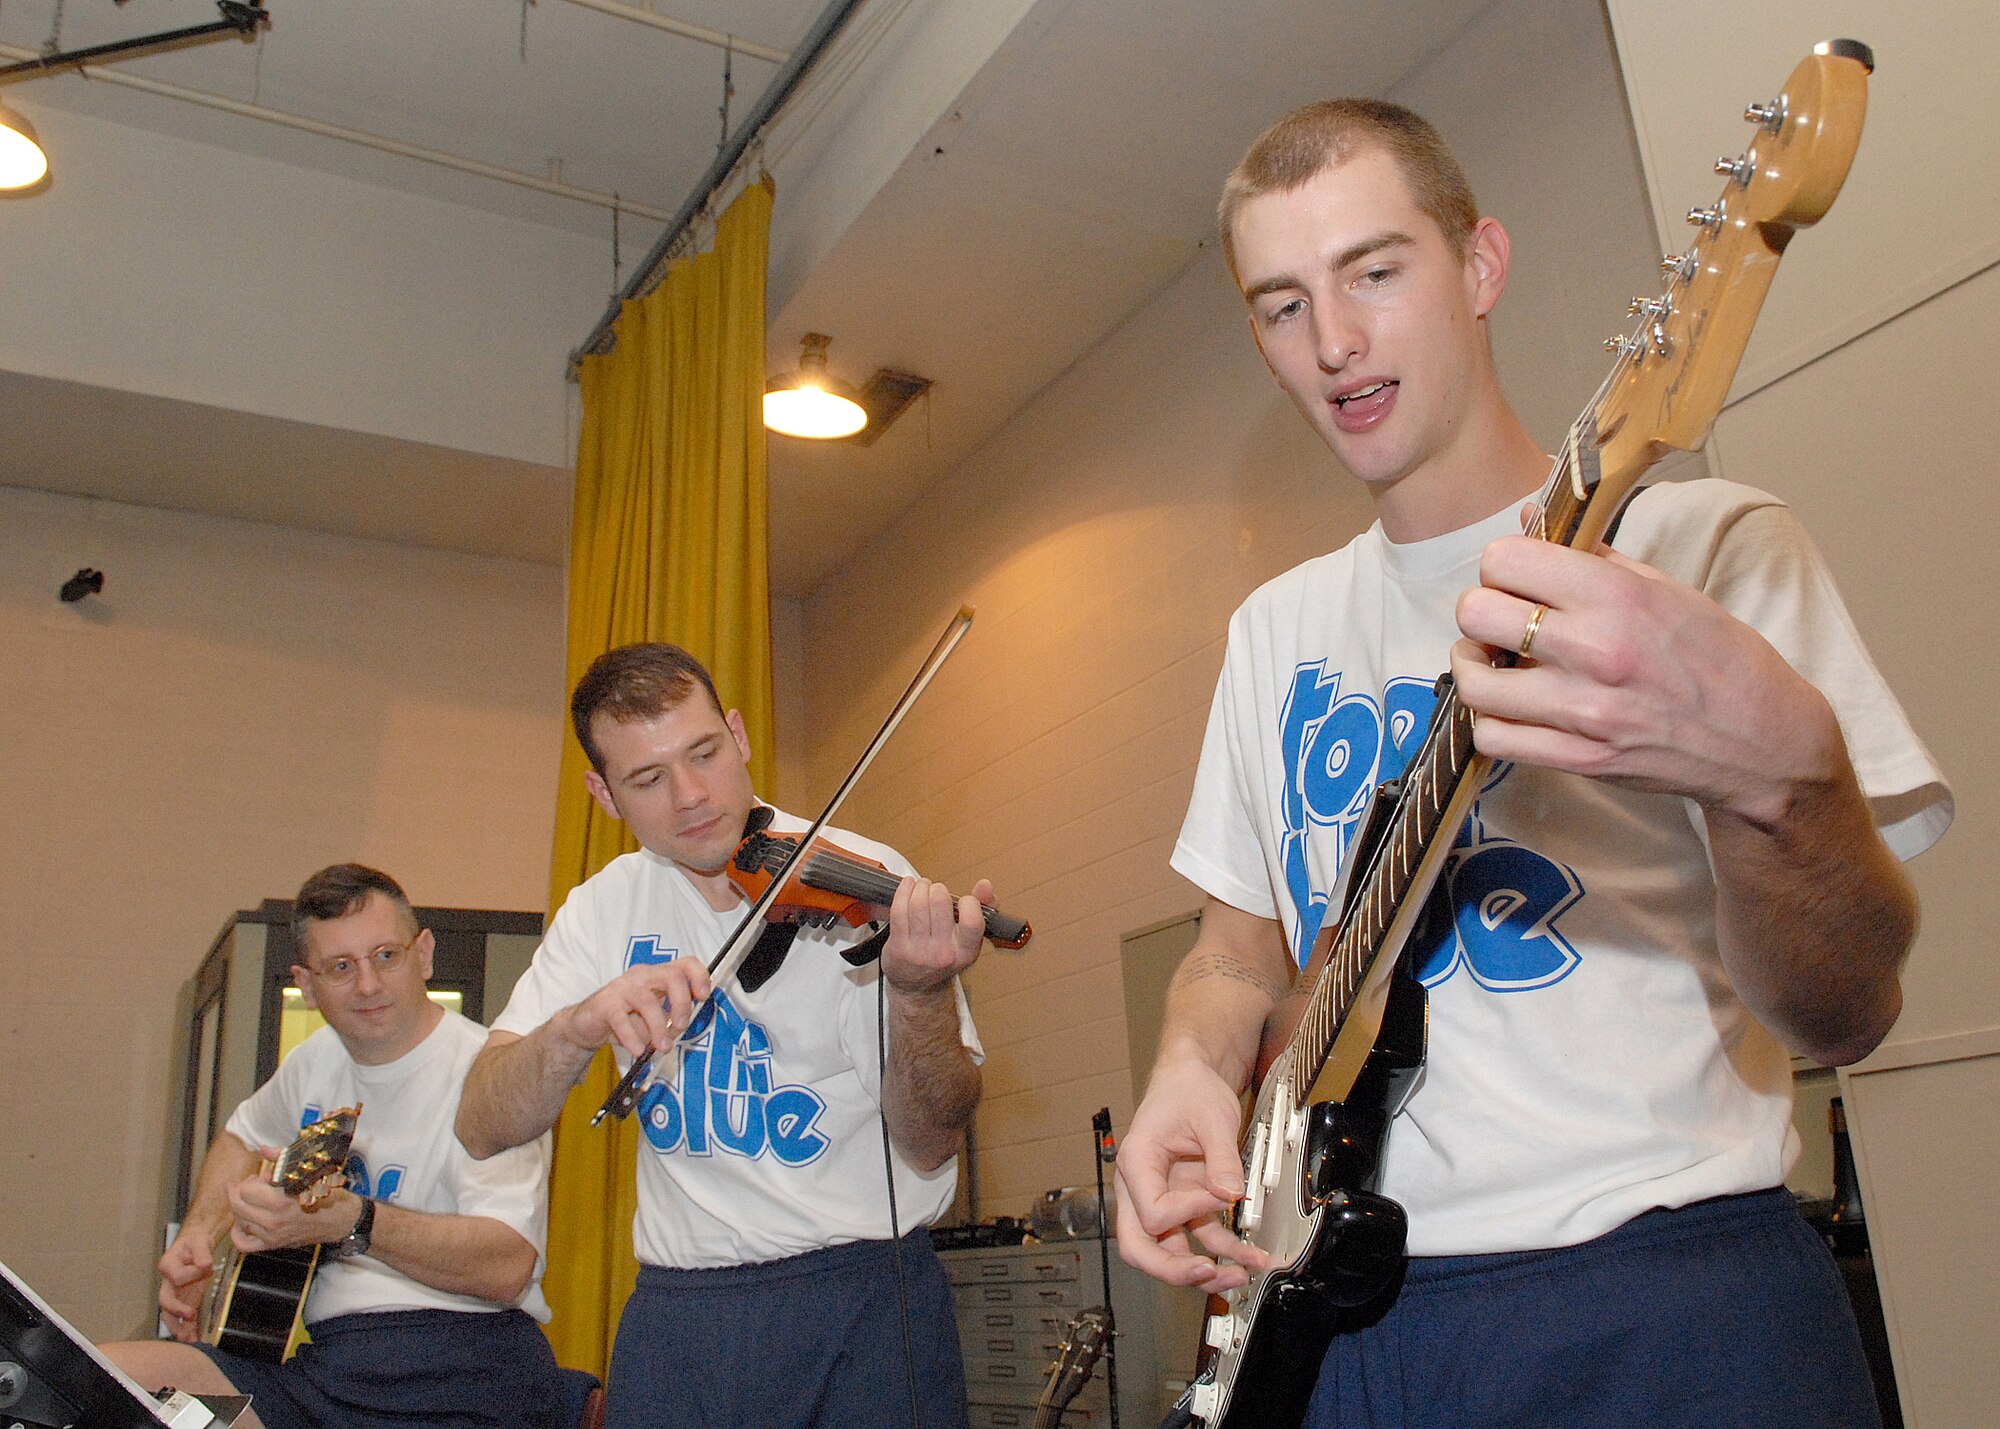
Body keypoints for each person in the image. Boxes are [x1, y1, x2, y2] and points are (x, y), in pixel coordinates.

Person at [1114, 99, 1952, 1428]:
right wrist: (1190, 1073)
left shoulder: (1705, 551)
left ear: (1483, 265)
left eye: (1375, 272)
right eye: (1282, 306)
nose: (1332, 344)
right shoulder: (1272, 633)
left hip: (1661, 1300)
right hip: (1338, 1324)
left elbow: (1845, 1012)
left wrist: (1778, 784)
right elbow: (1233, 953)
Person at [456, 642, 991, 1429]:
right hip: (683, 1313)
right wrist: (576, 1025)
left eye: (704, 752)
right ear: (603, 794)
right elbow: (480, 1122)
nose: (692, 795)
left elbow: (931, 1138)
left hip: (866, 1298)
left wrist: (919, 990)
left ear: (738, 735)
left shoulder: (865, 877)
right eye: (648, 778)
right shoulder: (603, 909)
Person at [102, 864, 567, 1429]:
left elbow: (508, 1266)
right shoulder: (314, 1061)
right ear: (307, 982)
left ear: (424, 953)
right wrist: (201, 1235)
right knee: (100, 1382)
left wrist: (352, 1222)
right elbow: (243, 1136)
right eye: (340, 967)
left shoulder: (489, 1076)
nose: (368, 985)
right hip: (324, 1370)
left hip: (463, 1370)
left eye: (386, 956)